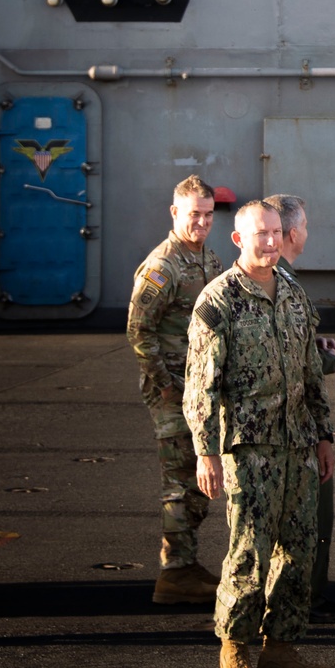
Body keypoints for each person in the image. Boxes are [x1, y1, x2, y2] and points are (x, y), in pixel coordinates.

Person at [184, 200, 334, 668]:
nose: (271, 241)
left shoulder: (292, 289)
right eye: (260, 234)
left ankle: (282, 644)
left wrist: (324, 434)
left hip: (299, 442)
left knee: (299, 549)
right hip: (249, 448)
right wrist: (205, 454)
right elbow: (200, 387)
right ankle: (235, 644)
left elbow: (312, 369)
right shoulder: (218, 300)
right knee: (248, 551)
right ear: (238, 240)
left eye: (275, 232)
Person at [127, 174, 224, 604]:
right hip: (171, 390)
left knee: (199, 480)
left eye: (207, 215)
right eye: (193, 215)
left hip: (200, 388)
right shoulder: (162, 266)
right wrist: (166, 387)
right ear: (174, 213)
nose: (201, 223)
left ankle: (184, 561)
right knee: (179, 479)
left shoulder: (208, 260)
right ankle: (174, 573)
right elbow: (138, 331)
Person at [265, 193, 335, 627]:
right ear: (295, 233)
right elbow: (293, 361)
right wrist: (331, 359)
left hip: (266, 428)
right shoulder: (285, 285)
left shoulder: (254, 279)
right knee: (312, 518)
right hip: (294, 427)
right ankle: (305, 598)